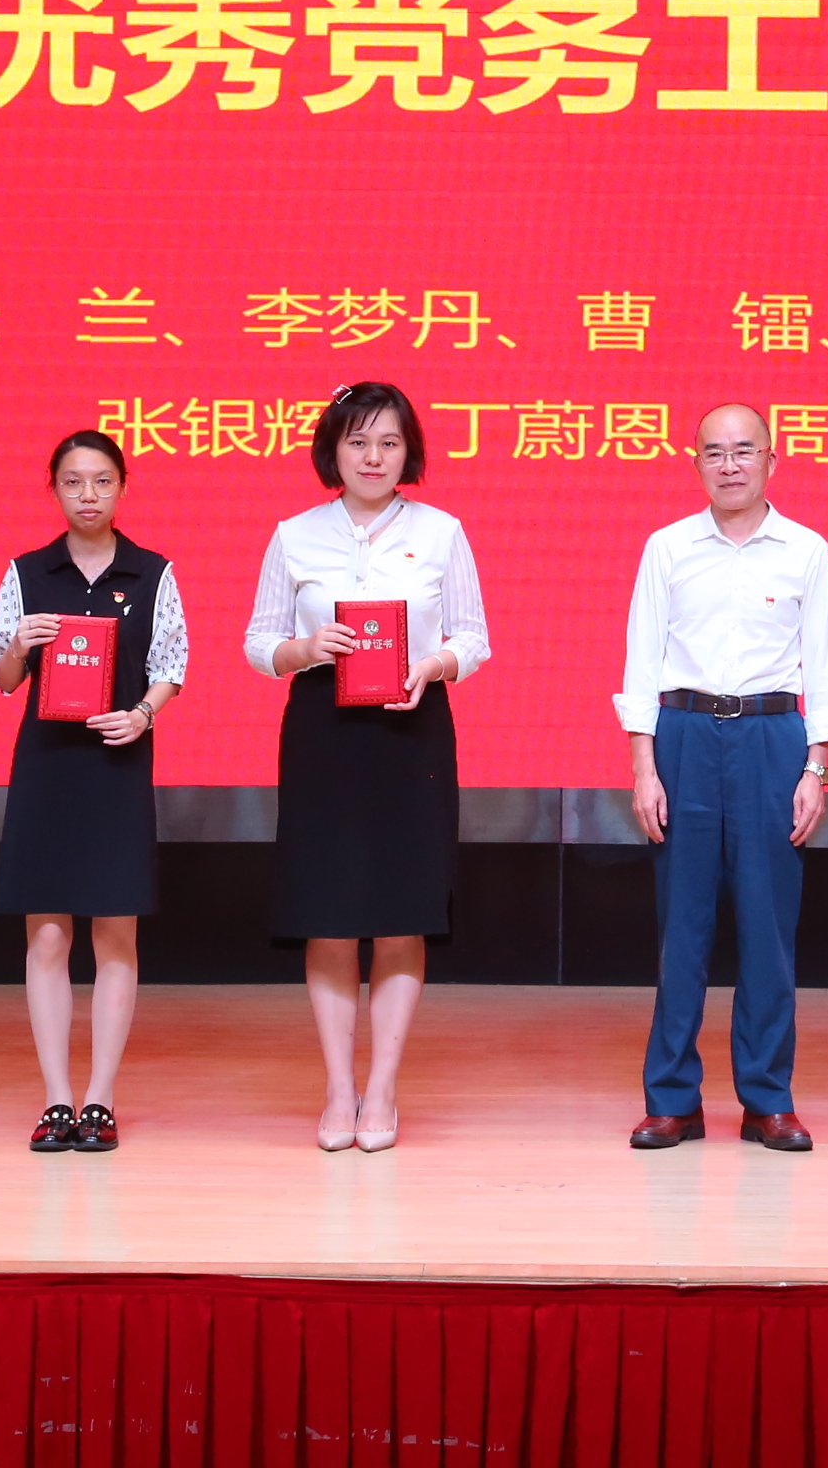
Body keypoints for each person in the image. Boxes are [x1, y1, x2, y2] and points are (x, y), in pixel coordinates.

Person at [247, 381, 489, 1152]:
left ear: (408, 450)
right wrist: (303, 649)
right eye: (357, 442)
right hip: (324, 730)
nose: (373, 456)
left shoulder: (442, 531)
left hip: (411, 730)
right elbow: (258, 642)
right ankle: (337, 1088)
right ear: (333, 450)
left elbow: (473, 638)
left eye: (388, 442)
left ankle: (381, 1089)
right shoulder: (295, 534)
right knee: (327, 912)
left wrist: (434, 665)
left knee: (401, 911)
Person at [619, 405, 828, 1152]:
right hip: (684, 735)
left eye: (745, 451)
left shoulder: (807, 550)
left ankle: (768, 1099)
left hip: (771, 738)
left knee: (767, 929)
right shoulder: (667, 547)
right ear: (696, 464)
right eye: (714, 452)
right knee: (681, 930)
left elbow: (824, 666)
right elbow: (642, 662)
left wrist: (815, 768)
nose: (730, 465)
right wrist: (644, 766)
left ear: (771, 461)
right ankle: (672, 1100)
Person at [0, 428, 185, 1153]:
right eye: (73, 482)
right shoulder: (28, 572)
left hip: (115, 765)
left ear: (122, 487)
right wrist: (20, 644)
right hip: (47, 767)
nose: (88, 494)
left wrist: (142, 715)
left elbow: (170, 666)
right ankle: (56, 1100)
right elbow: (4, 678)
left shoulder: (153, 571)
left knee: (115, 932)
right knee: (46, 934)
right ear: (55, 490)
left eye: (102, 480)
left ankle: (100, 1098)